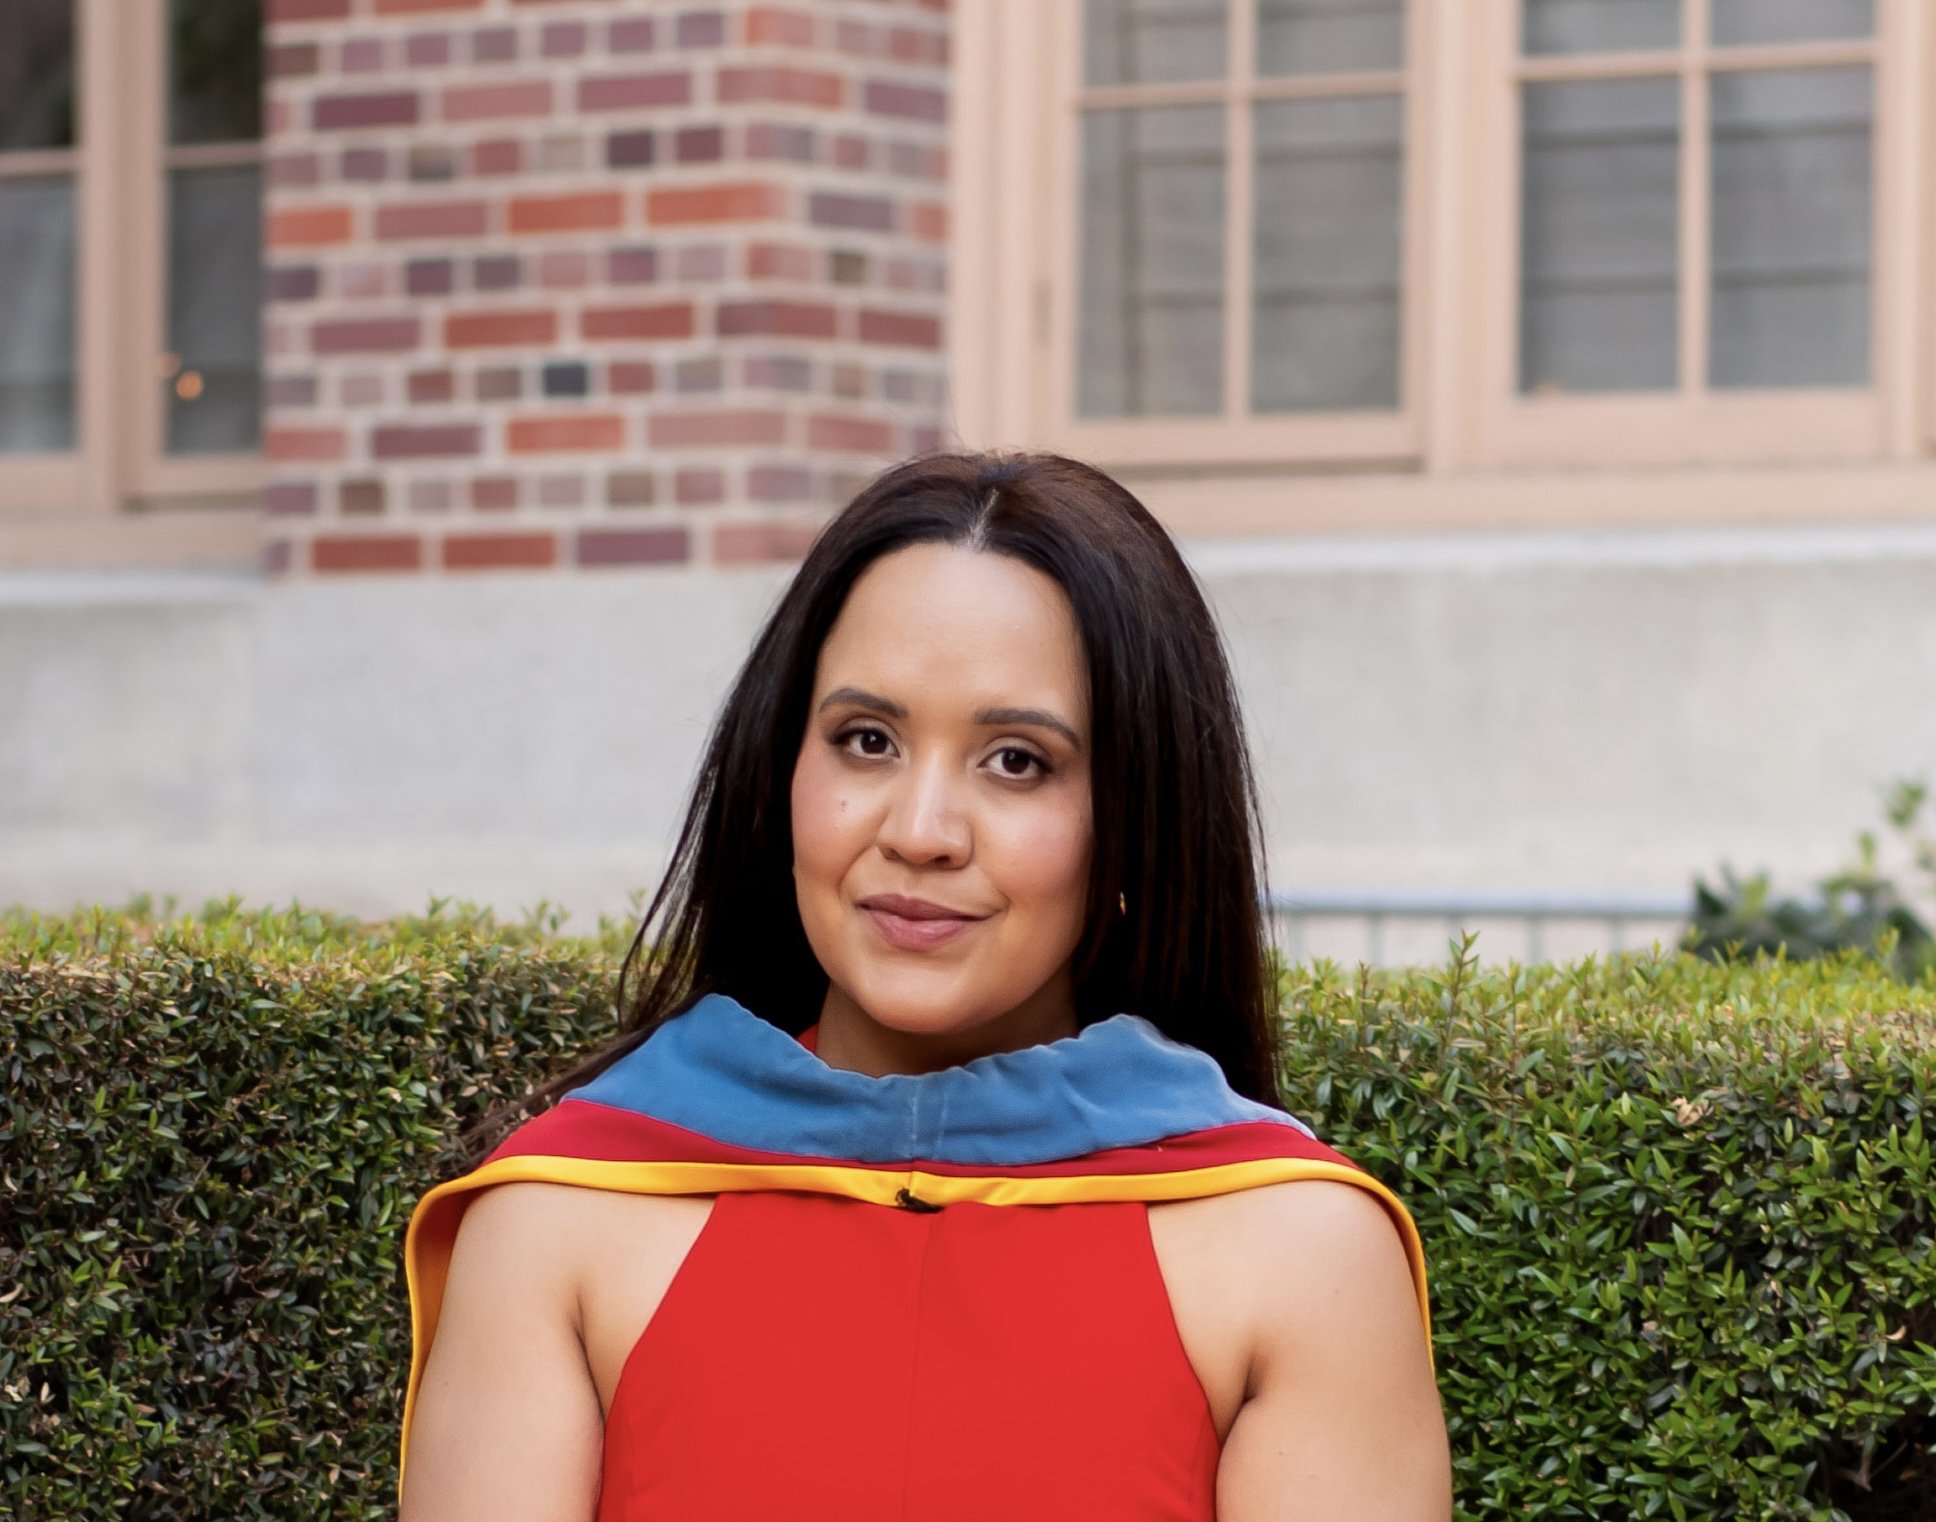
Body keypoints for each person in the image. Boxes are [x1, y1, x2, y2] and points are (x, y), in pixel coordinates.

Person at [396, 451, 1452, 1520]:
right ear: (780, 773)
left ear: (1141, 814)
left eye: (1016, 760)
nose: (919, 831)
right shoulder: (558, 1221)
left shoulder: (1299, 1257)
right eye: (867, 740)